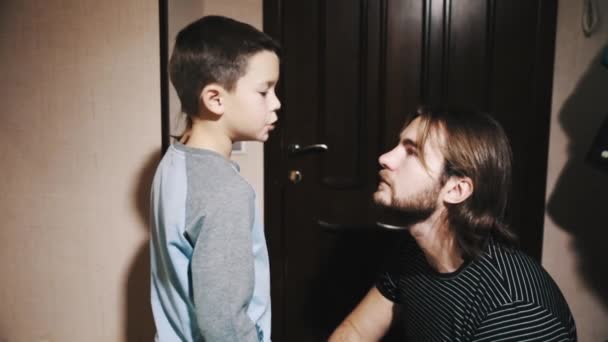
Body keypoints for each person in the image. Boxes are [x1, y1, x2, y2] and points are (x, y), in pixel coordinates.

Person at [329, 108, 577, 341]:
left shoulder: (515, 313)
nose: (385, 158)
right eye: (398, 145)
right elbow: (356, 332)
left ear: (457, 189)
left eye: (412, 151)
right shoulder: (413, 251)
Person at [149, 16, 281, 342]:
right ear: (215, 99)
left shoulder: (173, 162)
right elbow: (225, 326)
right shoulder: (226, 194)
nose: (277, 103)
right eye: (265, 91)